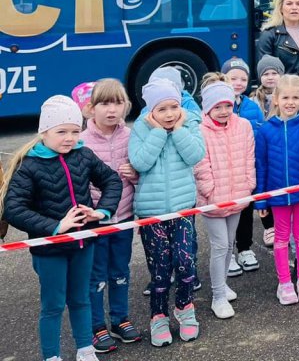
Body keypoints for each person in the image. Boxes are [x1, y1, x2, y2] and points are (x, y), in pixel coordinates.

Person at [1, 95, 122, 361]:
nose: (70, 138)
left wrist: (101, 211)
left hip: (84, 243)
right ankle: (51, 356)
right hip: (49, 250)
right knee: (53, 305)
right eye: (62, 132)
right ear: (44, 132)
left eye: (76, 131)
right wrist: (57, 226)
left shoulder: (83, 154)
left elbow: (112, 180)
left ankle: (85, 349)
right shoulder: (29, 165)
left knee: (81, 299)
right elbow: (14, 209)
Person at [129, 79, 205, 346]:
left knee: (186, 264)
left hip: (183, 208)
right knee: (160, 269)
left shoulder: (189, 124)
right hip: (152, 213)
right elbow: (140, 162)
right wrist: (158, 132)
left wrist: (180, 129)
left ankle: (185, 307)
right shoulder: (140, 129)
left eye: (174, 107)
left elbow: (195, 155)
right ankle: (158, 315)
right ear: (150, 111)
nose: (170, 114)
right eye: (162, 109)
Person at [77, 79, 142, 352]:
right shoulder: (80, 140)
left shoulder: (131, 136)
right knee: (96, 276)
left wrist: (136, 175)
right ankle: (96, 325)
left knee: (120, 271)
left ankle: (120, 319)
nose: (111, 110)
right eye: (104, 103)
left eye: (117, 103)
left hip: (124, 217)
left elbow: (145, 169)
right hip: (94, 222)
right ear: (91, 108)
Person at [254, 74, 299, 306]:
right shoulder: (266, 130)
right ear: (276, 99)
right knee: (281, 238)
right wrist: (261, 201)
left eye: (296, 97)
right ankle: (285, 282)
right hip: (277, 197)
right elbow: (261, 166)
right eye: (285, 97)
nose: (290, 102)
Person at [194, 81, 255, 320]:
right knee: (219, 246)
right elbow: (200, 165)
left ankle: (223, 284)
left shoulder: (244, 126)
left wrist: (249, 184)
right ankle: (217, 295)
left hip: (238, 193)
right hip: (213, 199)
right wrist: (208, 190)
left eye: (227, 105)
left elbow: (249, 156)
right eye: (217, 106)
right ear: (208, 108)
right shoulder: (200, 130)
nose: (223, 111)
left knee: (229, 244)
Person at [218, 57, 263, 277]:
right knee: (226, 215)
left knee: (246, 212)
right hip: (225, 172)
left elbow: (260, 135)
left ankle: (245, 248)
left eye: (243, 78)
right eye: (232, 77)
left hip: (246, 168)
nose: (238, 82)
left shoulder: (252, 107)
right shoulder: (216, 106)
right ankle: (228, 253)